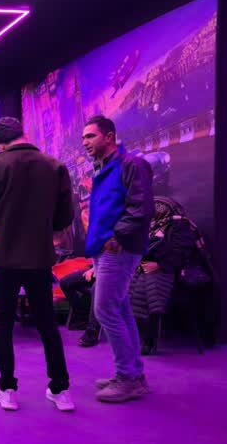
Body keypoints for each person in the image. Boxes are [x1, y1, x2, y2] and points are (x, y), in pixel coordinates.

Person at [0, 117, 75, 412]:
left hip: (5, 257)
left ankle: (7, 388)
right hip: (40, 257)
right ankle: (60, 389)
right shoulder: (55, 166)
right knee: (47, 324)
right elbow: (64, 216)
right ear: (22, 134)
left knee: (3, 323)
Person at [82, 115, 154, 403]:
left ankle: (128, 378)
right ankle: (133, 374)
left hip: (118, 249)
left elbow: (141, 210)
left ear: (109, 136)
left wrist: (116, 238)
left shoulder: (132, 164)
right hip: (105, 249)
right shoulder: (105, 168)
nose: (85, 142)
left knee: (105, 310)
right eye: (83, 138)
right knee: (120, 310)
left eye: (90, 136)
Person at [130, 197, 199, 355]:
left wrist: (160, 265)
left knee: (152, 294)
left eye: (158, 206)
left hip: (169, 270)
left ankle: (149, 340)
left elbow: (182, 253)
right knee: (134, 291)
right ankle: (140, 338)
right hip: (145, 268)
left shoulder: (180, 225)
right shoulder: (153, 226)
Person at [59, 268, 102, 346]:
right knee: (66, 283)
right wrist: (94, 269)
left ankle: (92, 331)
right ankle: (83, 318)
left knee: (96, 288)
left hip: (114, 272)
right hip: (99, 267)